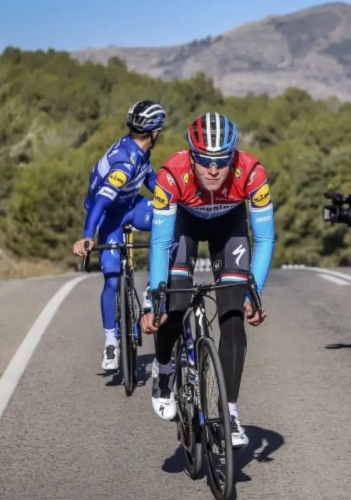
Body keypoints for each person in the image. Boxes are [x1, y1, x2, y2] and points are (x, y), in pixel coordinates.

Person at [139, 112, 275, 449]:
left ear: (233, 156)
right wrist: (158, 297)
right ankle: (165, 367)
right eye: (204, 160)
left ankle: (228, 412)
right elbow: (159, 243)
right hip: (185, 225)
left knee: (232, 316)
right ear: (191, 155)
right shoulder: (171, 175)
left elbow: (265, 239)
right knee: (176, 301)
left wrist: (254, 292)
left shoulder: (253, 173)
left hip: (229, 227)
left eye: (221, 161)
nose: (213, 170)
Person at [73, 100, 166, 371]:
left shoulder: (139, 149)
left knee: (168, 221)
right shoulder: (124, 162)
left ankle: (153, 287)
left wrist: (177, 199)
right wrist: (88, 235)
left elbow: (150, 180)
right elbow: (102, 201)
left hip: (130, 205)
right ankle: (111, 341)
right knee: (112, 278)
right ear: (155, 132)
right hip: (108, 216)